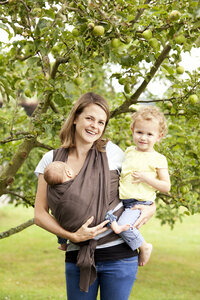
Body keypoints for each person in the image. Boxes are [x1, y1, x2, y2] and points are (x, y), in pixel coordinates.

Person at [34, 92, 156, 300]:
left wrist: (151, 206)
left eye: (101, 122)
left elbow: (137, 187)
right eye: (89, 118)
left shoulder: (112, 153)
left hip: (119, 256)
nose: (95, 126)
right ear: (75, 118)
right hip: (78, 256)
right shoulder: (51, 160)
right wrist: (72, 236)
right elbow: (39, 214)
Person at [105, 106, 171, 267]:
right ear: (132, 130)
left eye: (150, 134)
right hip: (124, 201)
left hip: (138, 204)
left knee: (123, 227)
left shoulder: (158, 158)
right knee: (105, 217)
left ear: (159, 136)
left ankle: (144, 246)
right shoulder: (128, 152)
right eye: (140, 132)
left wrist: (147, 178)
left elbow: (166, 186)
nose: (144, 137)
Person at [43, 161, 73, 251]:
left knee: (59, 228)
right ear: (68, 173)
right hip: (75, 217)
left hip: (62, 221)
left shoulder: (51, 191)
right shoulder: (73, 185)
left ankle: (63, 245)